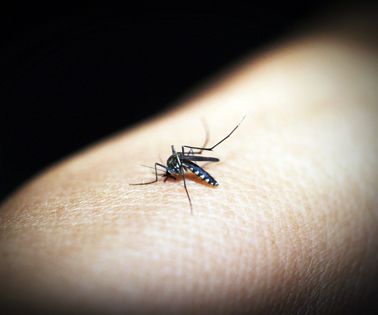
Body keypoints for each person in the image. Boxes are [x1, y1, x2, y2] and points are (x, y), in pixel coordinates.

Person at [1, 4, 377, 314]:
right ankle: (211, 148)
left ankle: (215, 144)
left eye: (166, 174)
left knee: (182, 154)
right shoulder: (169, 173)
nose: (166, 172)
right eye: (166, 174)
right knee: (177, 158)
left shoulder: (177, 168)